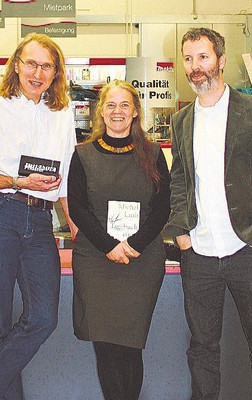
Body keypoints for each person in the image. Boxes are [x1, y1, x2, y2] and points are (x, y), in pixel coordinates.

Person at [165, 27, 252, 399]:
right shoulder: (182, 120)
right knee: (202, 350)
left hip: (248, 250)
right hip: (199, 256)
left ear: (220, 60)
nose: (195, 67)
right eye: (188, 59)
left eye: (203, 57)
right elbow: (179, 181)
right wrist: (181, 230)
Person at [0, 33, 77, 400]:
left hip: (40, 223)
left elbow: (65, 181)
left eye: (47, 66)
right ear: (16, 65)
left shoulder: (61, 113)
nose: (38, 72)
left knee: (43, 317)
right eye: (31, 63)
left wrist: (76, 229)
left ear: (56, 73)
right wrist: (19, 180)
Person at [67, 80, 170, 400]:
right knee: (106, 347)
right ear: (101, 111)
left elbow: (163, 206)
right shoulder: (82, 155)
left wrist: (135, 244)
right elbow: (78, 208)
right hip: (97, 261)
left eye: (124, 105)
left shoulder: (153, 153)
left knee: (130, 346)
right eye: (110, 105)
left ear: (136, 111)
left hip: (141, 261)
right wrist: (109, 245)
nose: (117, 111)